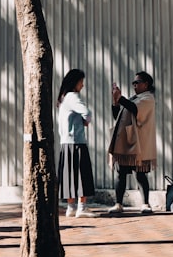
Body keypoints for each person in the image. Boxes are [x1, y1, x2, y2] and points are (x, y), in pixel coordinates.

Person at [107, 71, 157, 214]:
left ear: (146, 84)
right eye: (133, 83)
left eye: (137, 82)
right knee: (120, 172)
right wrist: (115, 102)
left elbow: (135, 110)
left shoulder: (148, 98)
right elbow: (117, 116)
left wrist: (120, 98)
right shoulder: (134, 98)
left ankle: (146, 203)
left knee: (140, 173)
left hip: (139, 143)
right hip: (125, 142)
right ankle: (118, 203)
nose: (134, 85)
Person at [57, 68, 97, 218]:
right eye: (81, 82)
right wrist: (85, 121)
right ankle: (82, 207)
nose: (83, 85)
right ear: (75, 83)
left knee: (69, 175)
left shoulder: (63, 97)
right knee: (81, 174)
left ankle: (71, 207)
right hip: (77, 142)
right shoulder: (73, 97)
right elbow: (87, 112)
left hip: (66, 143)